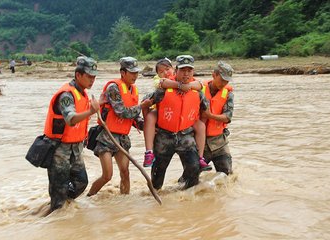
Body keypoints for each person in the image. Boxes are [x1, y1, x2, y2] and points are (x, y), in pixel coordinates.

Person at [87, 57, 153, 197]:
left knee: (125, 172)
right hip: (107, 137)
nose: (135, 76)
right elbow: (121, 112)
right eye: (132, 72)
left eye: (136, 73)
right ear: (123, 73)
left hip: (122, 138)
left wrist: (147, 126)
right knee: (107, 175)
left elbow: (134, 117)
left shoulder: (133, 90)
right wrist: (142, 106)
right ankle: (89, 197)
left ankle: (125, 201)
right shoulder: (114, 88)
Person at [143, 55, 210, 190]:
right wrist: (149, 123)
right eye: (183, 70)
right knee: (157, 180)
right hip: (164, 137)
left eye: (189, 71)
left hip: (186, 136)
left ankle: (185, 196)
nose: (186, 74)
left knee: (194, 167)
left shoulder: (197, 92)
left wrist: (198, 126)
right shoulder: (162, 89)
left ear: (193, 72)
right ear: (176, 71)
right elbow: (146, 103)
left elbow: (205, 110)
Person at [43, 56, 100, 212]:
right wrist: (91, 111)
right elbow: (71, 119)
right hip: (59, 150)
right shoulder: (66, 95)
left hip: (75, 149)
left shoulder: (83, 93)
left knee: (81, 182)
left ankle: (61, 205)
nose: (92, 80)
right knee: (58, 194)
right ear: (78, 75)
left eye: (94, 76)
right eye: (89, 76)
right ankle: (55, 211)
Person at [201, 61, 234, 175]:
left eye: (227, 81)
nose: (224, 83)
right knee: (191, 179)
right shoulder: (199, 90)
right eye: (222, 79)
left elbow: (228, 117)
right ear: (214, 75)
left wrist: (210, 115)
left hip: (219, 142)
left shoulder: (228, 94)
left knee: (228, 175)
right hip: (200, 143)